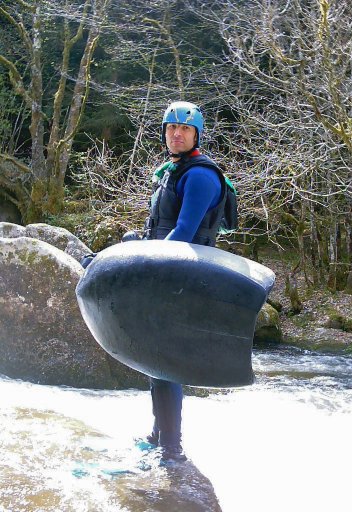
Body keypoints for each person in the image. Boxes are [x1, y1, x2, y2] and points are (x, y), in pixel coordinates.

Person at [143, 101, 231, 462]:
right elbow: (162, 227)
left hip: (183, 276)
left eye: (184, 129)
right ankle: (158, 434)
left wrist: (143, 261)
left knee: (165, 361)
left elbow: (183, 232)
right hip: (168, 269)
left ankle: (172, 448)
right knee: (154, 359)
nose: (176, 134)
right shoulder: (174, 170)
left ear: (196, 134)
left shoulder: (200, 176)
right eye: (170, 128)